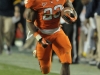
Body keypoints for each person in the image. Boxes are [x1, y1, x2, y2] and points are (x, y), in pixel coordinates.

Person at [24, 0, 77, 75]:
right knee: (45, 69)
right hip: (43, 34)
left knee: (66, 61)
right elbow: (29, 22)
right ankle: (37, 49)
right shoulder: (35, 1)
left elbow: (68, 3)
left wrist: (72, 12)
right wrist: (39, 38)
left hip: (57, 32)